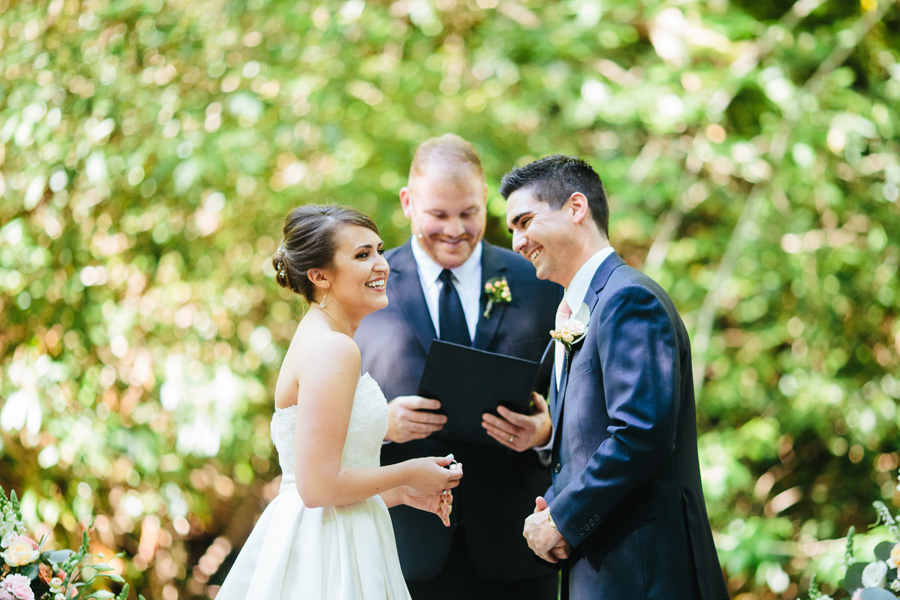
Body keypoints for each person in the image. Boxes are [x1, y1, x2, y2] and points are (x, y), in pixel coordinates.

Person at [501, 155, 729, 600]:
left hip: (644, 574)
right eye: (512, 228)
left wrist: (563, 517)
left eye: (525, 221)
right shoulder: (583, 308)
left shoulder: (629, 301)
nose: (516, 242)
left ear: (576, 207)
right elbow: (588, 444)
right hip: (605, 569)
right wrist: (553, 504)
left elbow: (640, 434)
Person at [217, 205, 463, 600]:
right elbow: (317, 488)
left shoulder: (319, 334)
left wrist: (400, 494)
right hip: (331, 553)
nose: (382, 264)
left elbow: (324, 482)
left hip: (334, 528)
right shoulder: (334, 349)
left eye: (379, 250)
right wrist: (408, 472)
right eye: (362, 255)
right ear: (319, 276)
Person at [355, 134, 562, 600]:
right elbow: (319, 412)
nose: (455, 229)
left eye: (469, 213)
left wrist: (546, 430)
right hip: (403, 545)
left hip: (517, 543)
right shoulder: (364, 287)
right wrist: (382, 424)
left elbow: (575, 397)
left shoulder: (539, 281)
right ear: (408, 203)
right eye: (438, 215)